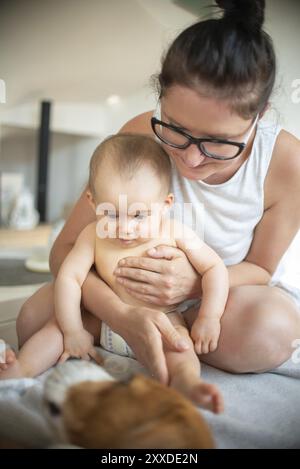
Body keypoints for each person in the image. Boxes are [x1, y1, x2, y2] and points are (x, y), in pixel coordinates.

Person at [2, 0, 300, 384]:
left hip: (214, 299)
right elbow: (65, 252)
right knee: (33, 317)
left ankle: (168, 337)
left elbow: (260, 269)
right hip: (118, 297)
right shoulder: (139, 137)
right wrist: (120, 314)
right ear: (160, 96)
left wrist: (189, 285)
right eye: (175, 129)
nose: (191, 160)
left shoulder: (287, 163)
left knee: (269, 329)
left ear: (259, 116)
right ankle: (131, 333)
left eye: (219, 143)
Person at [0, 134, 228, 413]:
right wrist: (72, 329)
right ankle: (20, 368)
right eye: (112, 214)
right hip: (101, 321)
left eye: (139, 216)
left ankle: (186, 383)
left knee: (179, 345)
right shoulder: (91, 235)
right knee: (54, 329)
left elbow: (214, 268)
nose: (125, 228)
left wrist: (209, 317)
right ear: (92, 202)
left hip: (162, 321)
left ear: (166, 204)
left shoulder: (175, 232)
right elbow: (70, 278)